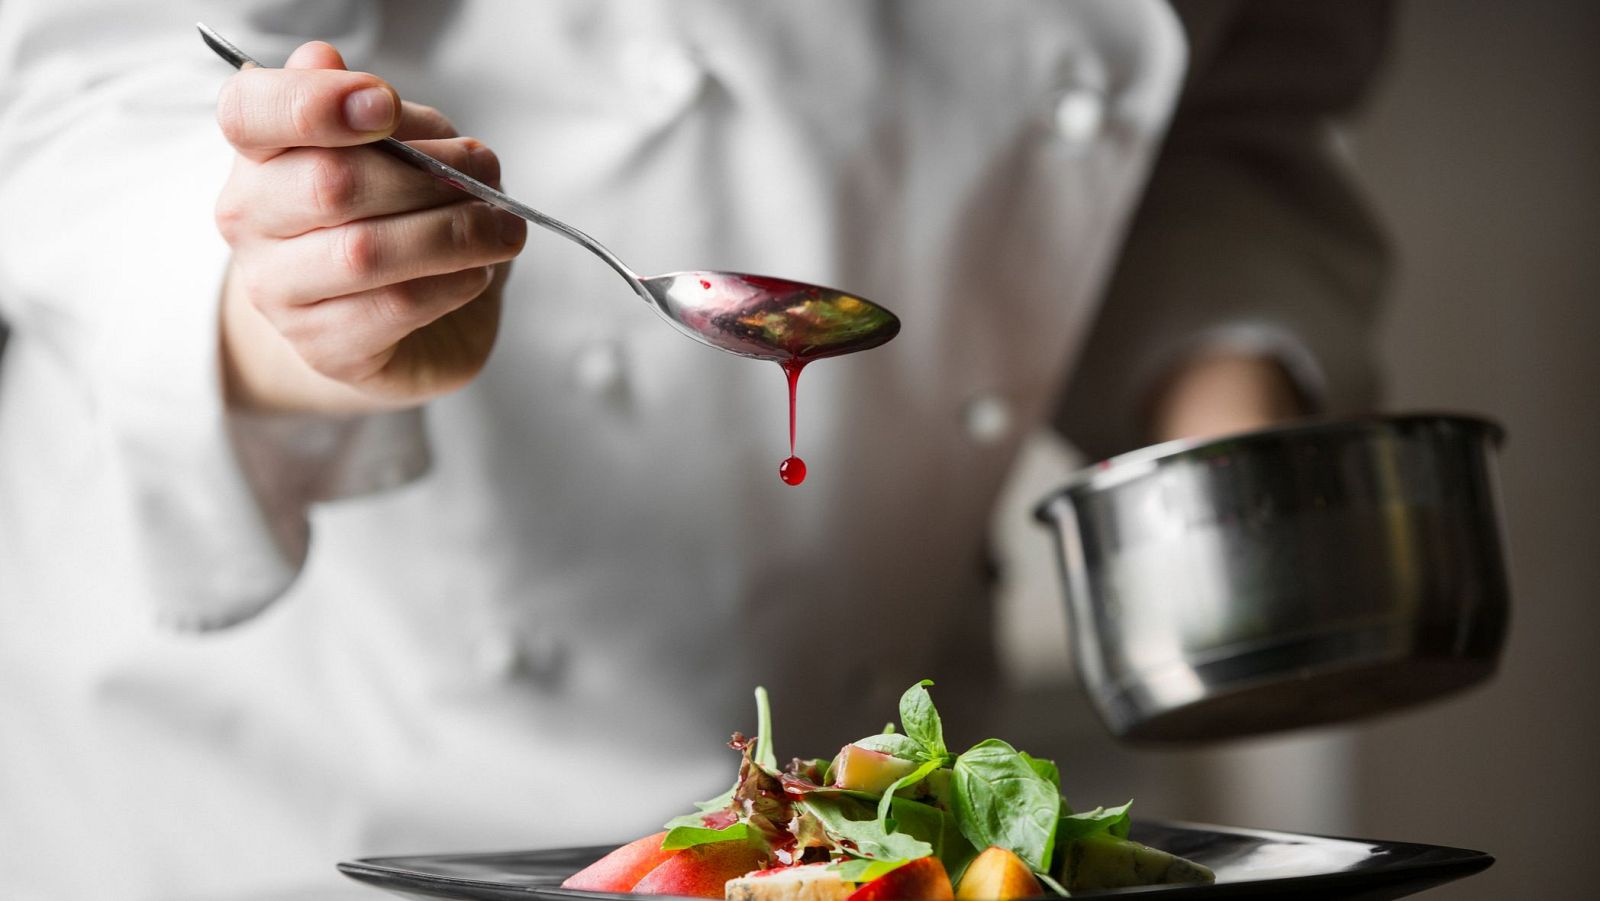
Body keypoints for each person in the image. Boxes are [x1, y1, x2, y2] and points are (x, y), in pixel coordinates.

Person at [0, 1, 1390, 898]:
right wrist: (305, 290)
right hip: (299, 782)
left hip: (885, 766)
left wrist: (1234, 432)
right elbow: (85, 89)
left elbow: (1220, 113)